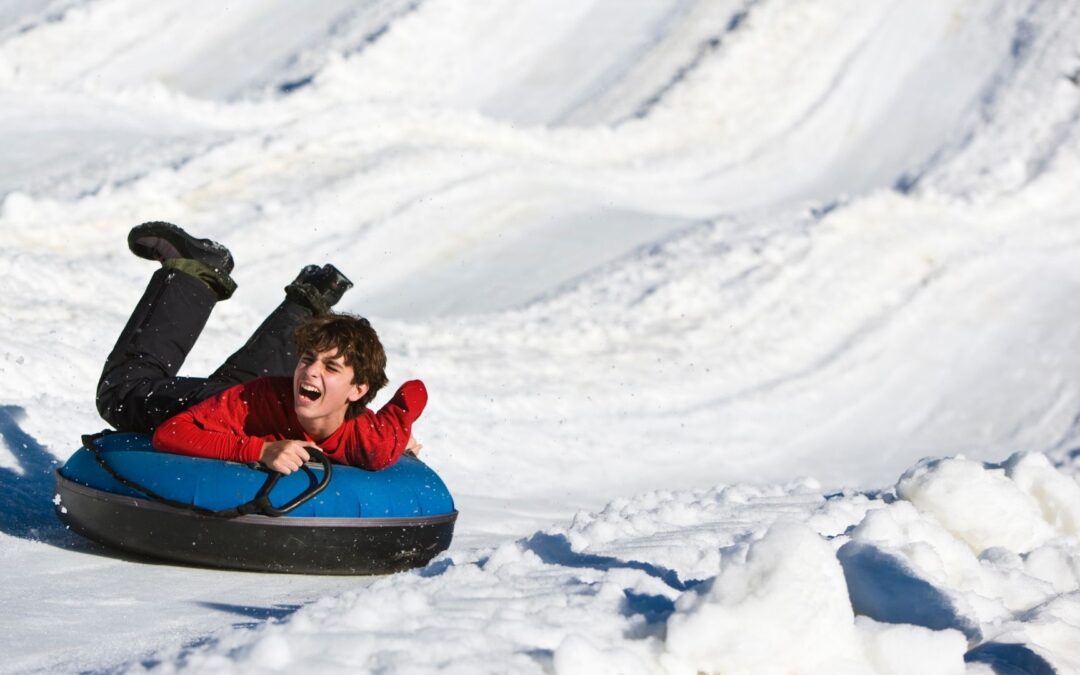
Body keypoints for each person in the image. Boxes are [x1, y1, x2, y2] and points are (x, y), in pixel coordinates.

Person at [96, 221, 426, 474]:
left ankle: (311, 300)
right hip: (239, 403)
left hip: (264, 400)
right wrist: (258, 451)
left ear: (358, 390)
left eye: (331, 367)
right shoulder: (251, 401)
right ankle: (194, 273)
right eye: (307, 359)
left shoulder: (374, 441)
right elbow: (171, 434)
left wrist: (401, 438)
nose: (311, 370)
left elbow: (414, 394)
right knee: (122, 394)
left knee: (252, 388)